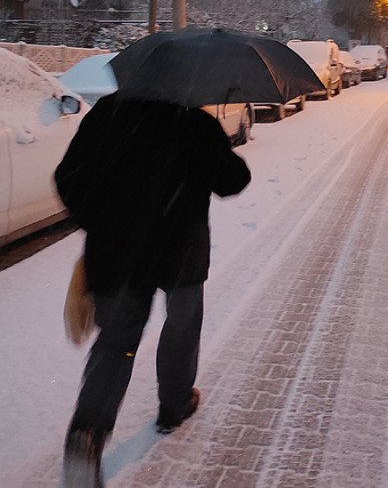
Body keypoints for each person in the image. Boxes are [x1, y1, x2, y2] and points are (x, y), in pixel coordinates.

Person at [54, 93, 251, 487]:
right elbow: (233, 181)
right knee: (182, 326)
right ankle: (174, 404)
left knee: (117, 342)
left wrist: (99, 220)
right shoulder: (194, 121)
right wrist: (214, 145)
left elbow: (68, 178)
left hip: (116, 253)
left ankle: (87, 435)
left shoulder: (108, 113)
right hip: (179, 252)